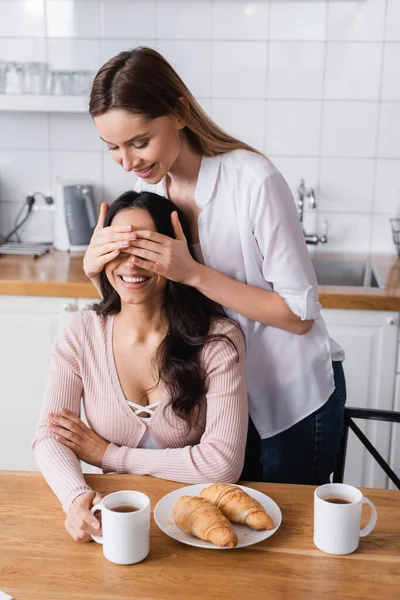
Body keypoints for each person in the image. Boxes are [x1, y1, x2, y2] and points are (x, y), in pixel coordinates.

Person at [84, 47, 346, 486]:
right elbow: (143, 304)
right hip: (214, 404)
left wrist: (193, 273)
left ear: (181, 113)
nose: (128, 162)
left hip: (288, 399)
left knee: (288, 541)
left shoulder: (254, 181)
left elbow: (299, 317)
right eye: (113, 147)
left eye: (139, 142)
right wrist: (97, 272)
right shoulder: (146, 188)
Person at [33, 190, 247, 543]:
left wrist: (108, 455)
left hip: (197, 524)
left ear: (174, 254)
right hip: (116, 519)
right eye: (117, 247)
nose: (130, 264)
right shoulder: (81, 332)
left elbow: (223, 463)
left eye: (146, 248)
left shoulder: (218, 340)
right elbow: (48, 436)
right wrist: (75, 498)